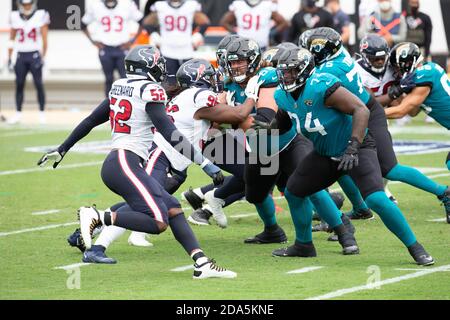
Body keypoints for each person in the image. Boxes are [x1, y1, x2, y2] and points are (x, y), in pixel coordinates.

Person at [37, 45, 236, 279]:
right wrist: (204, 163)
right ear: (149, 67)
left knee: (172, 208)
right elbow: (171, 134)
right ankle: (98, 217)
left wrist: (63, 148)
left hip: (123, 162)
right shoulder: (150, 91)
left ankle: (201, 263)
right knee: (158, 221)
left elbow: (91, 120)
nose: (162, 68)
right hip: (124, 162)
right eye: (157, 64)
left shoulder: (119, 86)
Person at [270, 47, 434, 265]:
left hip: (356, 148)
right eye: (282, 72)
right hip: (326, 153)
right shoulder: (282, 95)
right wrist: (266, 128)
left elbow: (361, 109)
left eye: (290, 71)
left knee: (376, 198)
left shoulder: (321, 85)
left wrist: (353, 146)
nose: (285, 77)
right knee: (294, 192)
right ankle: (303, 245)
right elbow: (284, 119)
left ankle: (415, 247)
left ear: (304, 70)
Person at [303, 28, 449, 225]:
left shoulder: (337, 67)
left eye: (382, 59)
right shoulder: (353, 66)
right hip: (358, 115)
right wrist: (396, 93)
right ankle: (358, 208)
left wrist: (400, 94)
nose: (380, 63)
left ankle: (443, 192)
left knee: (388, 168)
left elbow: (396, 107)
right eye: (375, 59)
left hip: (366, 115)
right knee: (341, 163)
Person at [384, 42, 450, 222]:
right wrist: (403, 91)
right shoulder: (428, 70)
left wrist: (367, 113)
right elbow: (413, 110)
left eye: (397, 67)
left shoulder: (423, 74)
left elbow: (402, 111)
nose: (396, 72)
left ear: (407, 63)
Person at [82, 0, 144, 98]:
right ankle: (109, 106)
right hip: (105, 48)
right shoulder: (95, 6)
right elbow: (83, 24)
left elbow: (142, 21)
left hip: (121, 48)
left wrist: (132, 41)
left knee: (125, 79)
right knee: (109, 79)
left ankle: (126, 103)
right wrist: (93, 41)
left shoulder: (127, 4)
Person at [143, 0, 210, 85]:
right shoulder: (160, 6)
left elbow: (205, 22)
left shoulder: (191, 5)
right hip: (168, 49)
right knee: (170, 83)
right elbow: (146, 22)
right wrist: (153, 33)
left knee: (188, 82)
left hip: (186, 49)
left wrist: (198, 34)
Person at [7, 0, 49, 125]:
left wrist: (43, 57)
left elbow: (45, 38)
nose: (27, 7)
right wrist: (9, 57)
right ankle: (18, 113)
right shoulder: (14, 17)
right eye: (25, 4)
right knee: (19, 84)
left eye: (29, 4)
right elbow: (11, 38)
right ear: (20, 5)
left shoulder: (40, 15)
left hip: (34, 54)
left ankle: (42, 113)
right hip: (20, 55)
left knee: (38, 84)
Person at [220, 0, 289, 51]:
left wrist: (272, 33)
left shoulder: (267, 5)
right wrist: (235, 33)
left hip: (261, 46)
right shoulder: (238, 4)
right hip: (242, 46)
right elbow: (224, 22)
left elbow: (284, 23)